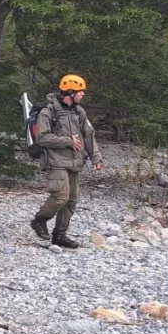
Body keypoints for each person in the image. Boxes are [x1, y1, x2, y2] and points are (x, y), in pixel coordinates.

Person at [29, 74, 103, 249]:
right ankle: (39, 221)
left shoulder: (79, 112)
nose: (83, 94)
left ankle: (59, 236)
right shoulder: (48, 112)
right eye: (80, 91)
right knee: (60, 196)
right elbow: (42, 138)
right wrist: (68, 141)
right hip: (56, 162)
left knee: (71, 200)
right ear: (70, 92)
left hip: (75, 162)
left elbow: (88, 135)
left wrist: (96, 157)